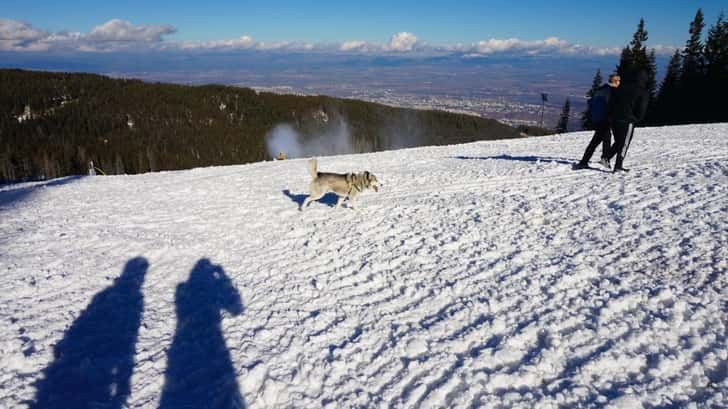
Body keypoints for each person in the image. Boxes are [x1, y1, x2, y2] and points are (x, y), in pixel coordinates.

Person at [606, 69, 649, 172]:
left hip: (615, 119)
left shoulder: (621, 87)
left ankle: (606, 158)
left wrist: (611, 115)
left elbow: (612, 101)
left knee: (619, 142)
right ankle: (618, 166)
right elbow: (642, 107)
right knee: (624, 143)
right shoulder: (643, 91)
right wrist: (637, 119)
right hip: (628, 120)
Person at [575, 74, 621, 169]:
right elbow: (611, 105)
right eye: (619, 81)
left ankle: (586, 161)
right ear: (616, 81)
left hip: (596, 118)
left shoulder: (601, 89)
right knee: (605, 139)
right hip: (604, 118)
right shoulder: (611, 91)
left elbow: (591, 102)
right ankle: (603, 159)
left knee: (597, 140)